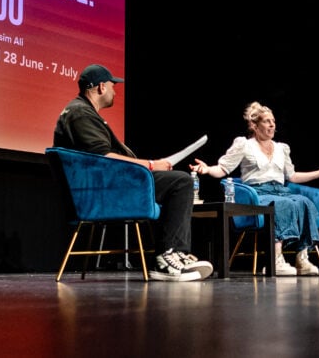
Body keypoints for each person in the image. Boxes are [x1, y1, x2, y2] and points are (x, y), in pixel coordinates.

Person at [53, 63, 214, 281]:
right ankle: (168, 256)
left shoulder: (81, 112)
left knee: (175, 181)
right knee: (181, 182)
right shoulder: (80, 114)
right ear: (101, 87)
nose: (115, 91)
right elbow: (104, 157)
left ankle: (174, 253)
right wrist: (149, 165)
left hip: (106, 186)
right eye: (112, 86)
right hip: (105, 192)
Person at [191, 101, 319, 276]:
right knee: (281, 204)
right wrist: (207, 169)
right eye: (266, 121)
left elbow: (292, 176)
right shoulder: (244, 145)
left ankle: (302, 258)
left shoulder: (281, 148)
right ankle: (276, 259)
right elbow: (223, 169)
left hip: (280, 190)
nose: (272, 125)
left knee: (305, 202)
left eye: (273, 121)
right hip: (257, 193)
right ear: (254, 126)